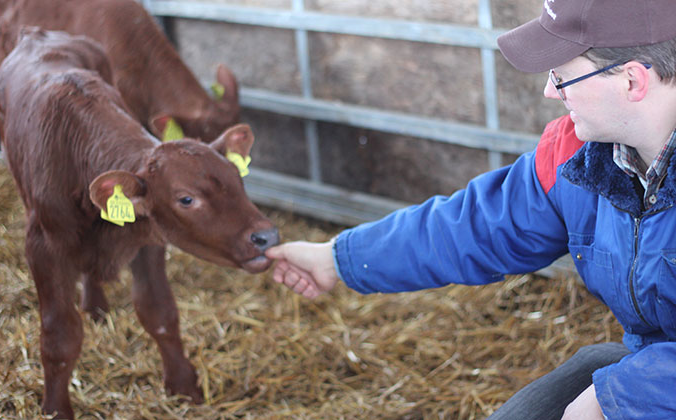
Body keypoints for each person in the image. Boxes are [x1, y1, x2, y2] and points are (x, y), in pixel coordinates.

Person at [265, 0, 676, 419]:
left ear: (632, 81)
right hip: (643, 362)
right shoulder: (578, 158)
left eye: (562, 75)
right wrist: (337, 258)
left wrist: (625, 397)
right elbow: (474, 228)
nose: (549, 91)